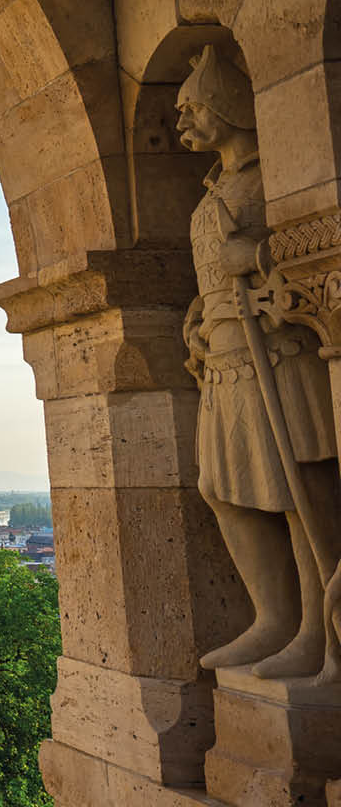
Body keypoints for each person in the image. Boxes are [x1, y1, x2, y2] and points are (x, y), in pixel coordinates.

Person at [182, 45, 341, 679]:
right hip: (223, 362)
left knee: (297, 492)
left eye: (193, 108)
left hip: (278, 352)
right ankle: (271, 618)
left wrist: (260, 255)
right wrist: (197, 320)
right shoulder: (213, 191)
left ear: (227, 106)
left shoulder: (276, 175)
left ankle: (311, 630)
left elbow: (315, 249)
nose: (184, 123)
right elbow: (212, 281)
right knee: (221, 491)